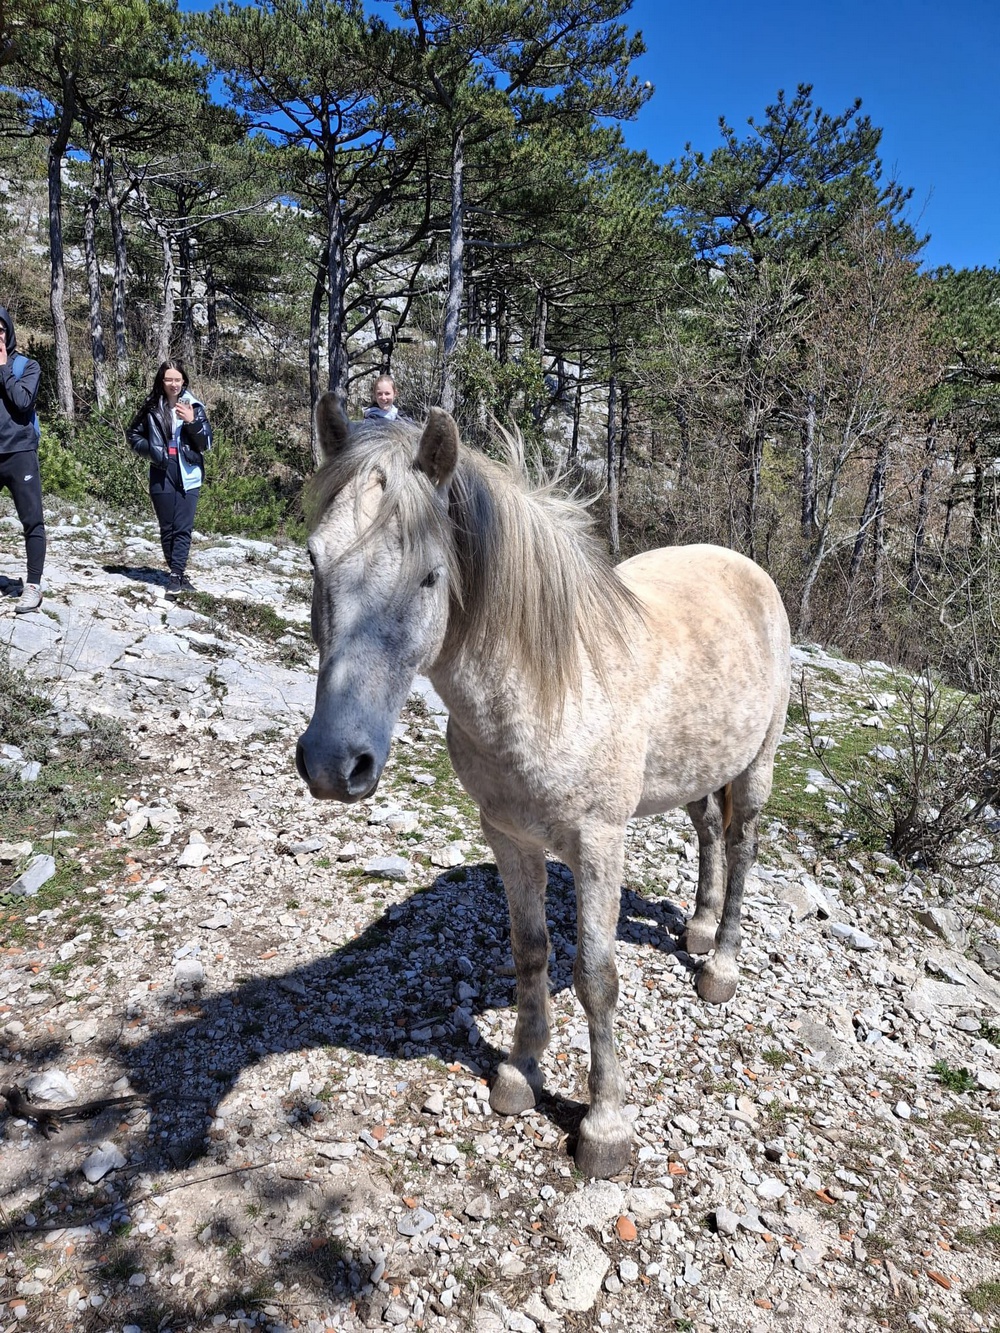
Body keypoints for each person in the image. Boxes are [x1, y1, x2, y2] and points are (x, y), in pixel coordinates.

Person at [127, 360, 212, 597]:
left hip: (189, 470)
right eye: (169, 380)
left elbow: (206, 443)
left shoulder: (195, 406)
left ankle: (176, 574)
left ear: (184, 380)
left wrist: (192, 422)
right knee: (168, 527)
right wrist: (153, 452)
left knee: (183, 527)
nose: (174, 384)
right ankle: (176, 572)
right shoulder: (152, 407)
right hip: (162, 468)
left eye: (178, 379)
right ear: (162, 382)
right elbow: (132, 435)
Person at [0, 306, 45, 614]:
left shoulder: (27, 366)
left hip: (19, 453)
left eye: (0, 330)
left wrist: (3, 366)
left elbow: (22, 401)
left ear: (9, 332)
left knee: (32, 521)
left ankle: (32, 586)